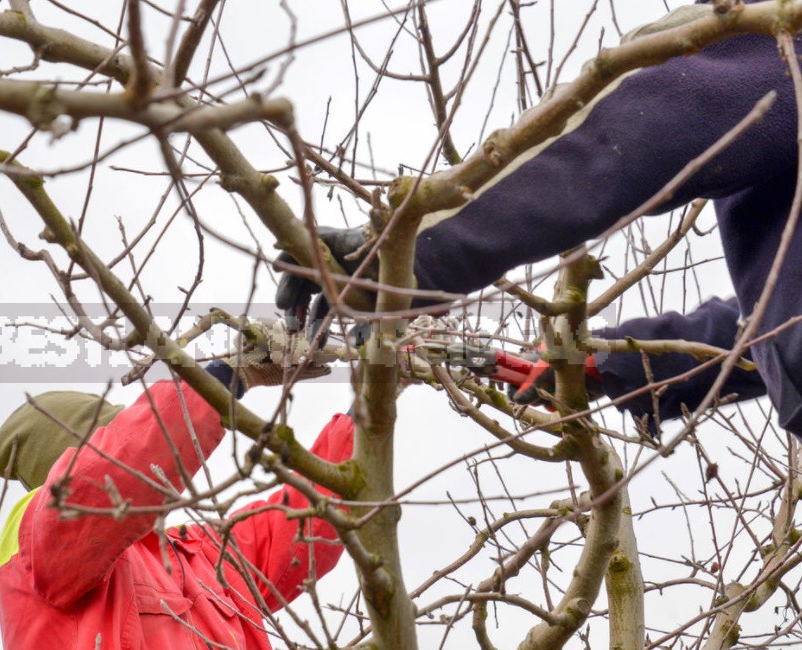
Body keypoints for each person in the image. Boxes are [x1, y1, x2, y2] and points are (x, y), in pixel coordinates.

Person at [277, 0, 798, 436]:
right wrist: (612, 367)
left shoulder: (778, 29)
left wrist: (418, 252)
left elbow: (647, 125)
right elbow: (772, 326)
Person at [0, 321, 353, 650]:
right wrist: (227, 375)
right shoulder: (40, 545)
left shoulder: (194, 554)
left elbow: (302, 521)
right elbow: (122, 470)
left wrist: (368, 414)